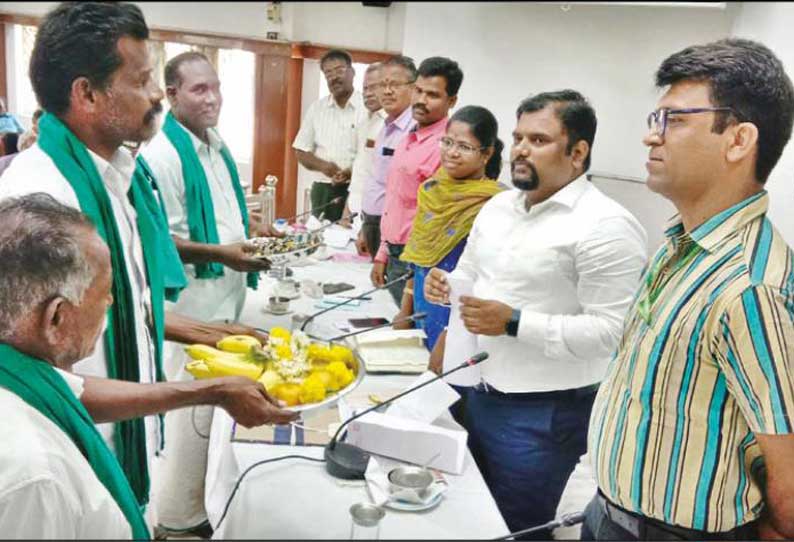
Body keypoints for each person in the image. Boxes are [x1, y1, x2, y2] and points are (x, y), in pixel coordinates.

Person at [0, 1, 288, 523]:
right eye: (143, 79)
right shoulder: (40, 201)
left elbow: (128, 309)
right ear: (87, 93)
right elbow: (38, 381)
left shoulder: (112, 178)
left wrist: (213, 333)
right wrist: (212, 388)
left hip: (124, 432)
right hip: (73, 458)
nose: (158, 94)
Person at [583, 38, 794, 541]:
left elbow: (789, 463)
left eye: (674, 121)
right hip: (612, 514)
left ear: (739, 140)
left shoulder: (748, 286)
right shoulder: (683, 242)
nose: (650, 138)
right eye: (656, 120)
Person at [0, 193, 296, 539]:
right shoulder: (34, 474)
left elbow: (76, 392)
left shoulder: (21, 371)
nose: (111, 304)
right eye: (105, 294)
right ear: (57, 318)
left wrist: (217, 391)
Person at [423, 90, 648, 538]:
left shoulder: (606, 226)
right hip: (478, 389)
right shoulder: (499, 207)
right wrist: (445, 286)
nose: (522, 149)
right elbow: (470, 272)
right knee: (468, 510)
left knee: (517, 526)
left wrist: (514, 322)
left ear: (578, 152)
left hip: (543, 412)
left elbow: (614, 331)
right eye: (519, 136)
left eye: (540, 139)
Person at [140, 50, 275, 535]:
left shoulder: (214, 144)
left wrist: (260, 234)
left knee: (216, 416)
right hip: (190, 309)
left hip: (226, 297)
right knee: (188, 414)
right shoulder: (162, 155)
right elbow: (163, 243)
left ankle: (208, 502)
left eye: (216, 87)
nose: (213, 98)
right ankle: (178, 517)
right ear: (172, 95)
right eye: (200, 90)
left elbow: (227, 217)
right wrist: (224, 254)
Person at [398, 105, 504, 354]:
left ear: (486, 154)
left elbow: (487, 282)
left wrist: (449, 339)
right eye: (447, 142)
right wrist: (405, 309)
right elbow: (418, 259)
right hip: (423, 307)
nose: (452, 153)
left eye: (464, 147)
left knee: (451, 385)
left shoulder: (494, 204)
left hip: (460, 320)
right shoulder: (432, 189)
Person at [371, 56, 463, 305]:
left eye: (432, 95)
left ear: (451, 101)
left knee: (412, 335)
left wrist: (412, 284)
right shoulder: (409, 137)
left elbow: (437, 220)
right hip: (394, 253)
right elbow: (396, 202)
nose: (421, 100)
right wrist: (383, 253)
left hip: (417, 262)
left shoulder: (447, 148)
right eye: (418, 91)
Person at [358, 55, 417, 259]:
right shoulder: (386, 126)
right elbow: (376, 179)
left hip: (396, 233)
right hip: (374, 223)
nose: (387, 91)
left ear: (413, 87)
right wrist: (364, 226)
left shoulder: (414, 130)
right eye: (382, 84)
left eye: (395, 84)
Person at [292, 49, 362, 222]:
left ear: (352, 72)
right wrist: (325, 167)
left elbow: (373, 154)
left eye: (339, 70)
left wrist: (350, 172)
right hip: (324, 190)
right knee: (322, 239)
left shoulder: (367, 108)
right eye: (328, 73)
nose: (334, 77)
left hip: (358, 188)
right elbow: (301, 151)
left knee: (356, 241)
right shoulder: (317, 109)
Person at [342, 62, 386, 239]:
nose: (367, 93)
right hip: (353, 215)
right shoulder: (365, 121)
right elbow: (361, 170)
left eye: (373, 87)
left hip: (373, 221)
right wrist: (347, 208)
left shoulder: (390, 125)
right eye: (365, 88)